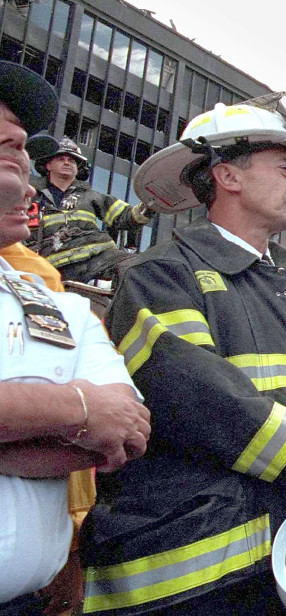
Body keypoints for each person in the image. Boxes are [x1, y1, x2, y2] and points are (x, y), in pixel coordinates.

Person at [80, 99, 286, 615]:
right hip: (187, 572)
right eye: (285, 168)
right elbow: (197, 396)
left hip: (285, 555)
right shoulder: (160, 275)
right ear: (227, 176)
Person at [0, 62, 150, 615]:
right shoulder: (36, 214)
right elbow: (96, 416)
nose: (24, 154)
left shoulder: (51, 294)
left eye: (24, 147)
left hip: (23, 597)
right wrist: (80, 407)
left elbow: (120, 430)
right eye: (6, 142)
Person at [27, 138, 152, 284]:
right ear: (48, 165)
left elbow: (127, 217)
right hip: (54, 270)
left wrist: (151, 203)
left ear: (78, 168)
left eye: (72, 161)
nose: (67, 163)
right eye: (61, 159)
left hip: (100, 259)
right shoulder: (30, 198)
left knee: (141, 270)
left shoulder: (91, 197)